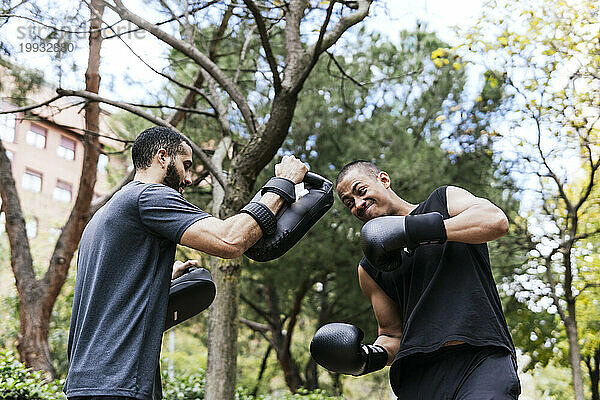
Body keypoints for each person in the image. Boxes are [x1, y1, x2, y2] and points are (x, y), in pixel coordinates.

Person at [64, 126, 307, 400]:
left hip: (87, 383)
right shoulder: (148, 195)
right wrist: (282, 185)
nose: (189, 178)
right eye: (186, 165)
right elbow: (230, 240)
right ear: (163, 157)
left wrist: (159, 281)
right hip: (118, 384)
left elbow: (109, 297)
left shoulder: (102, 217)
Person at [310, 160, 521, 399]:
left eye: (361, 191)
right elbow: (391, 335)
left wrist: (410, 231)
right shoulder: (370, 268)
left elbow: (495, 221)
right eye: (349, 203)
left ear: (384, 180)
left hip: (480, 360)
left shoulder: (443, 201)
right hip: (416, 376)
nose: (358, 204)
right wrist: (369, 357)